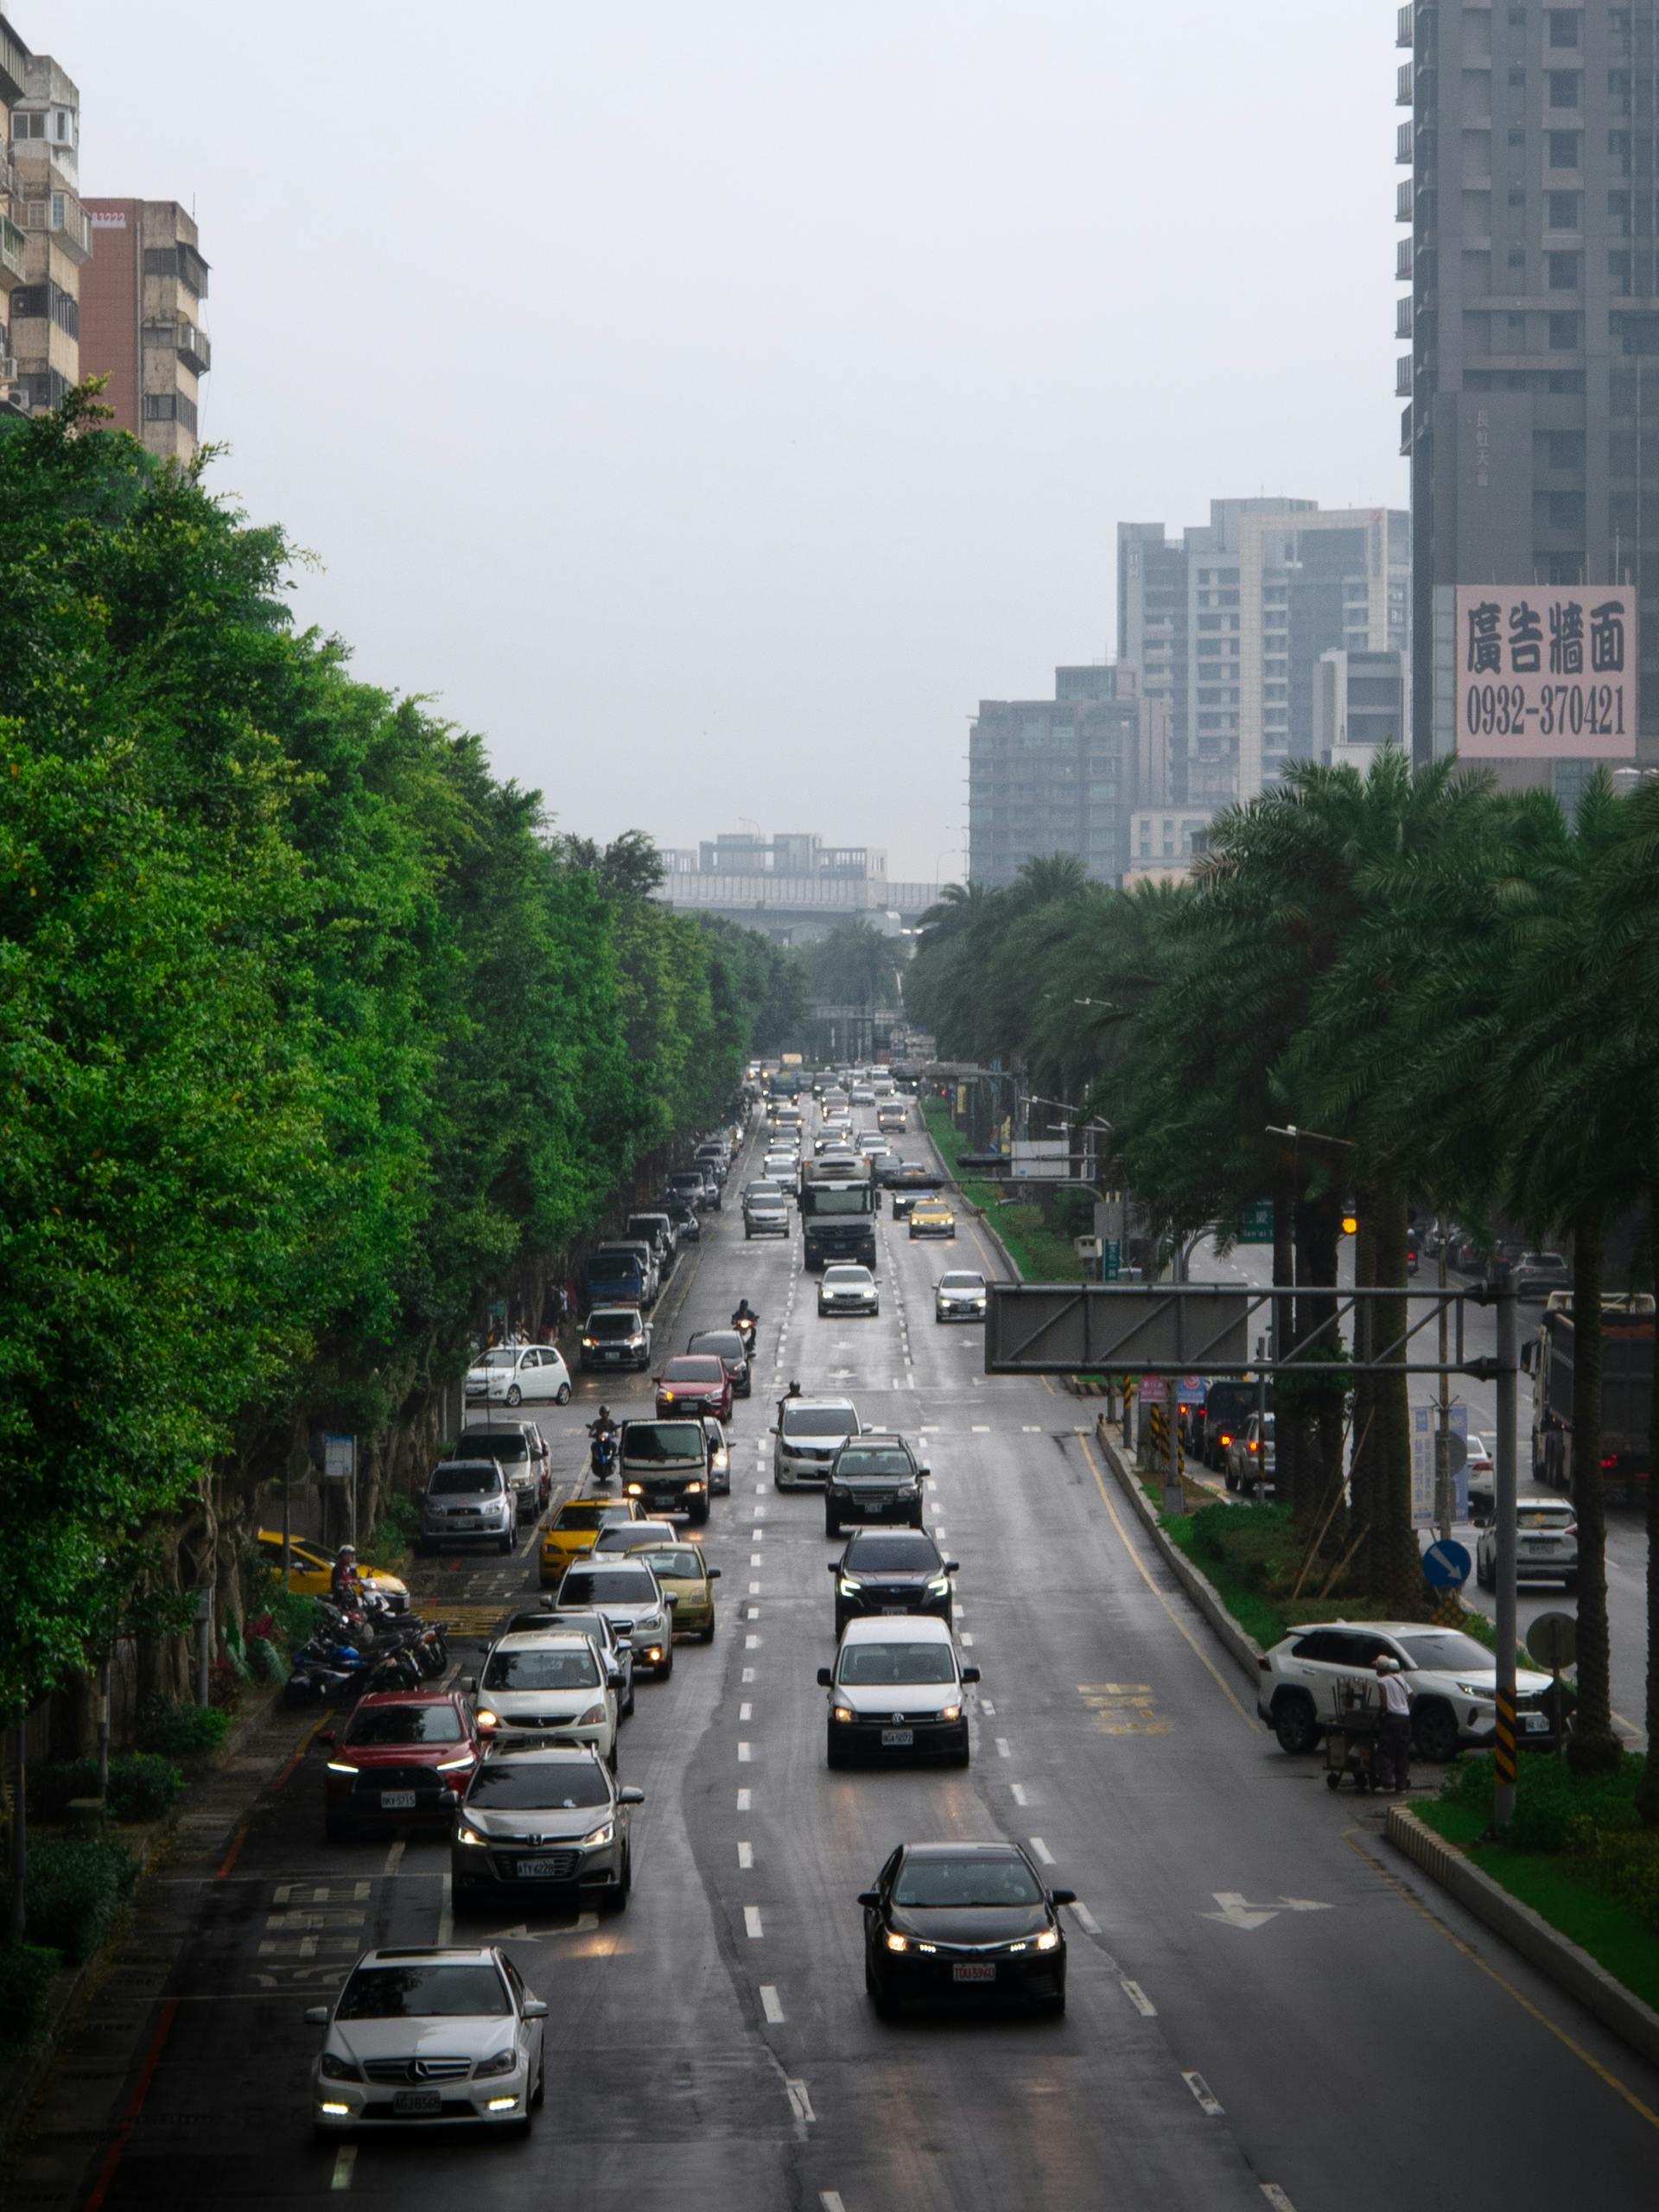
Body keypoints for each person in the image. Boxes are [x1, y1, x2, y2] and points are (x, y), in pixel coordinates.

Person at [1373, 1654, 1414, 1792]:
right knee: (1402, 1751)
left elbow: (1384, 1702)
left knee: (1385, 1750)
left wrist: (1381, 1716)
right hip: (1405, 1718)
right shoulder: (1400, 1678)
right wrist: (1404, 1705)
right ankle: (1401, 1786)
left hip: (1392, 1719)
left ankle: (1387, 1783)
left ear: (1379, 1668)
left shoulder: (1382, 1681)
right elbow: (1412, 1695)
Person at [330, 1545, 362, 1609]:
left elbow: (355, 1579)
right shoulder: (338, 1568)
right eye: (347, 1555)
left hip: (350, 1593)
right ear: (341, 1556)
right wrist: (350, 1582)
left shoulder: (352, 1568)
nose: (349, 1557)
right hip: (340, 1595)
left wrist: (360, 1580)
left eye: (351, 1555)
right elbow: (338, 1582)